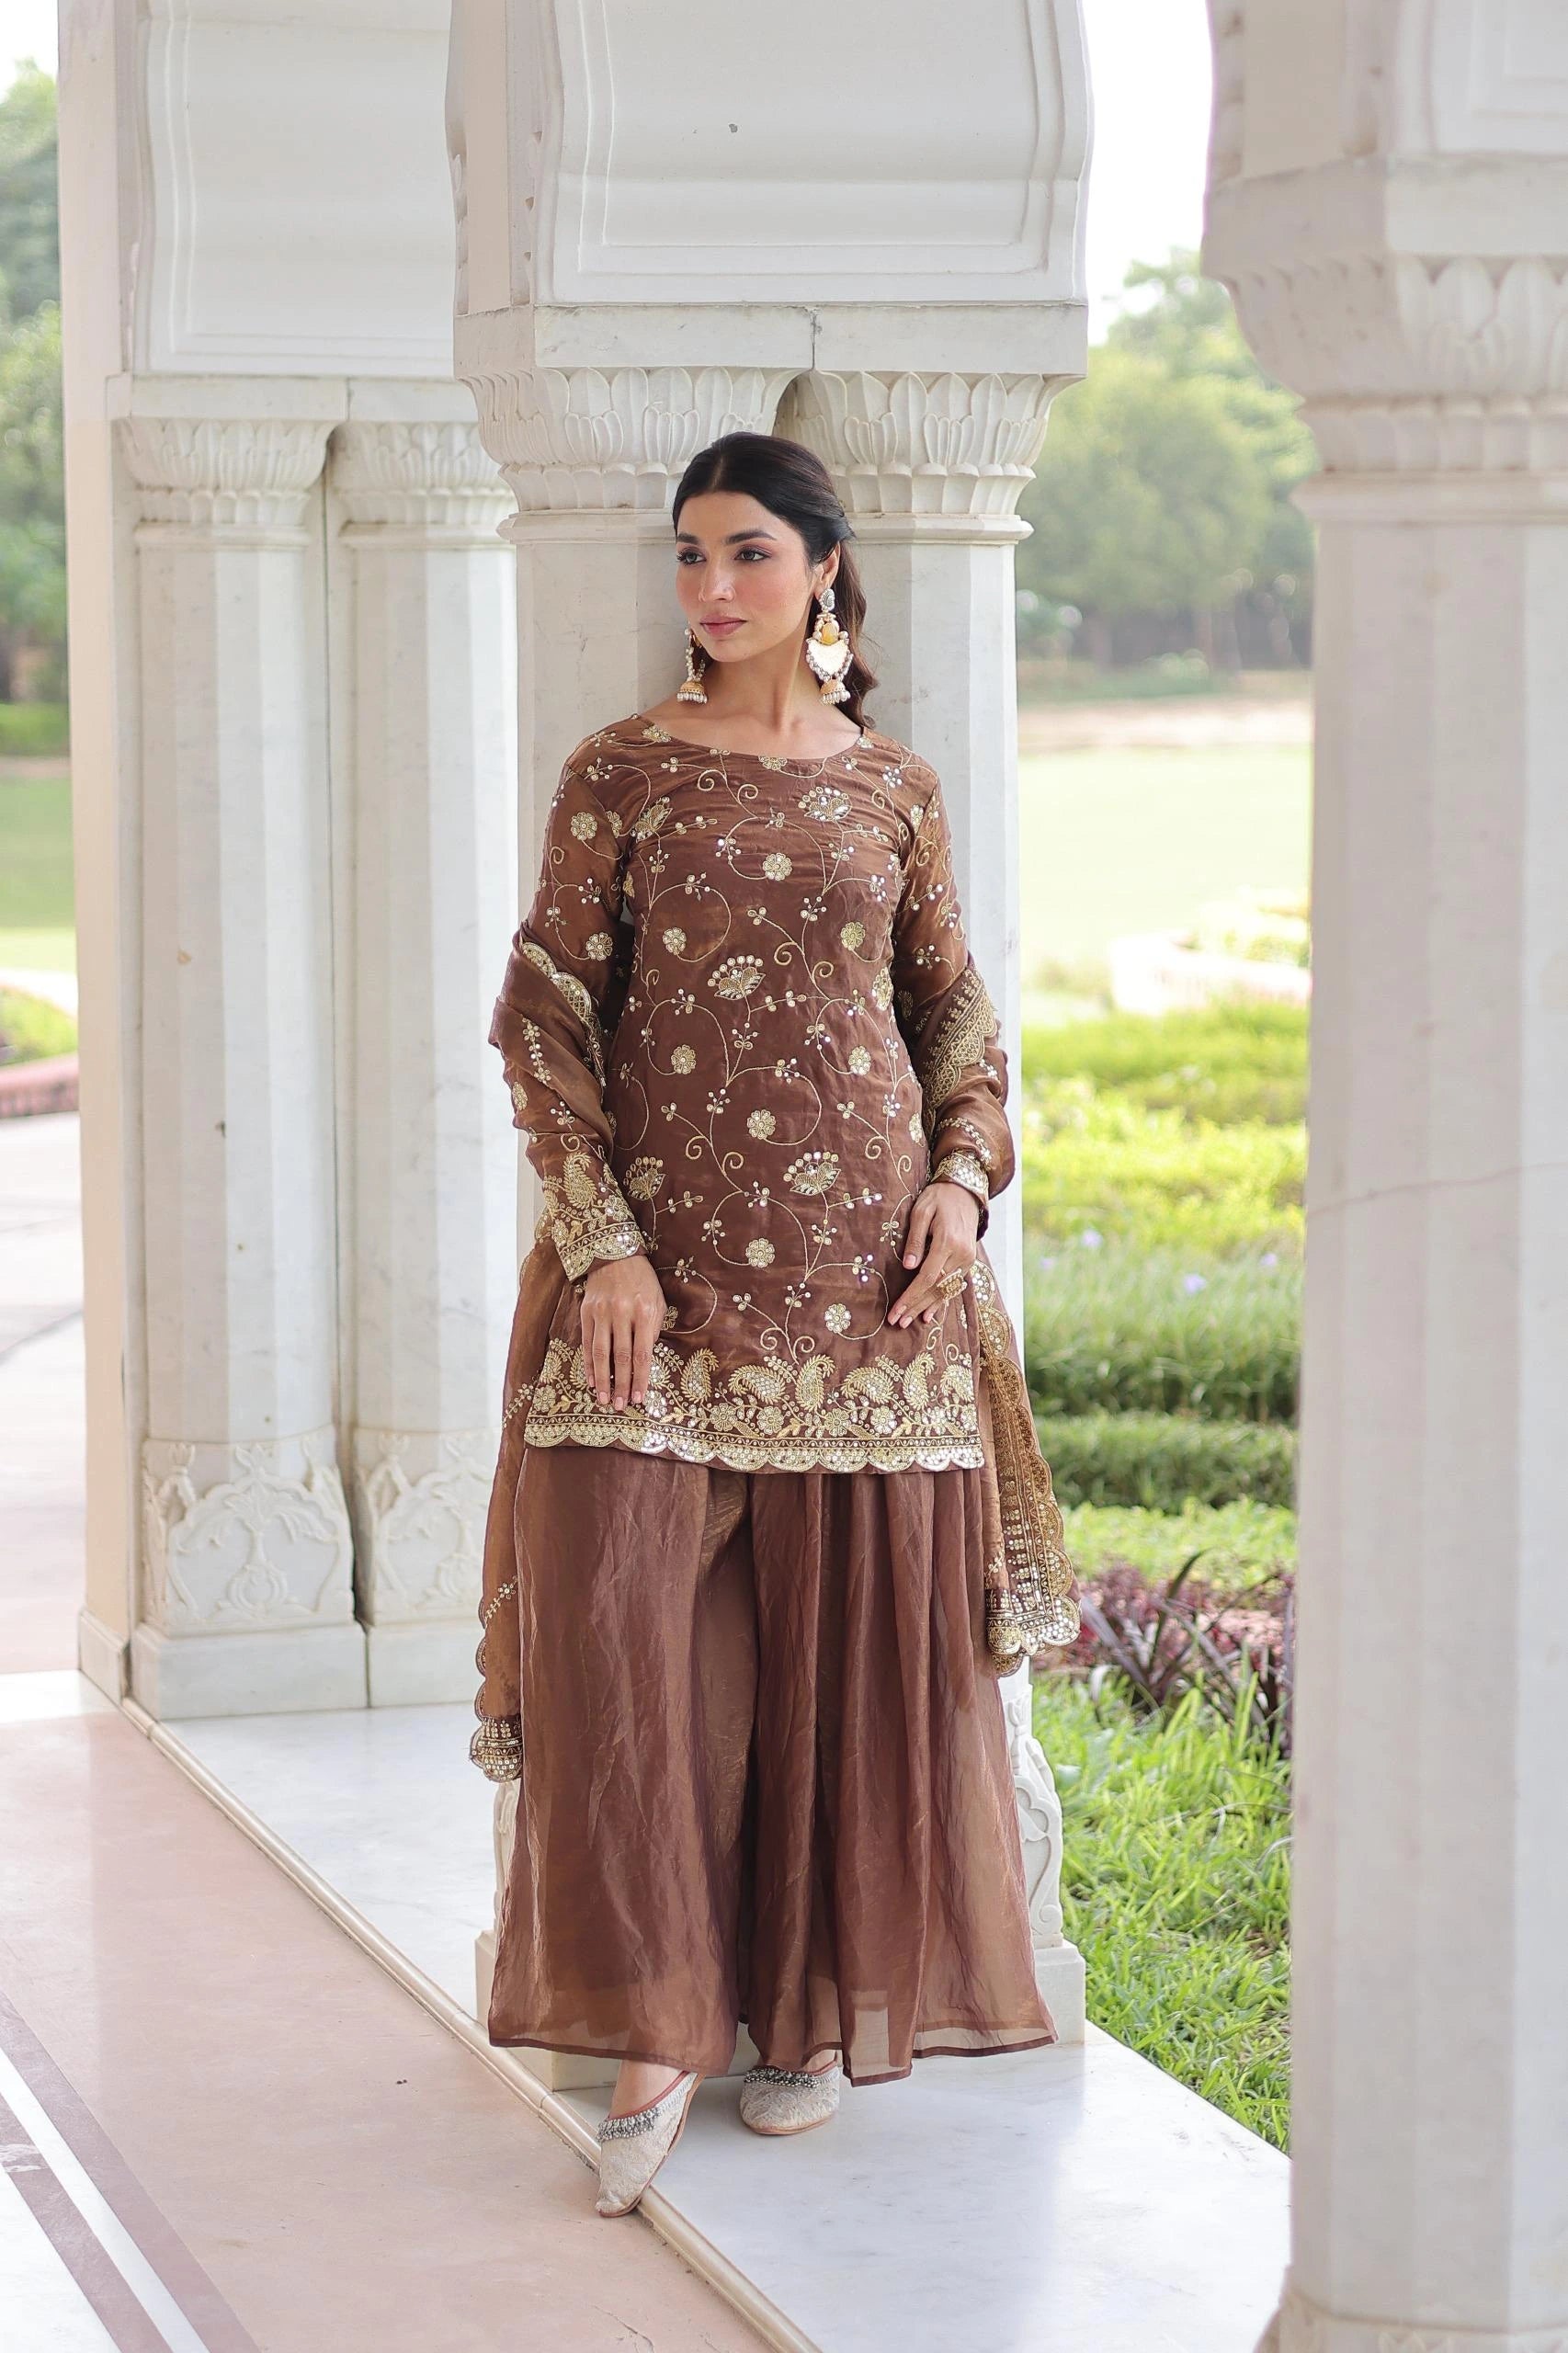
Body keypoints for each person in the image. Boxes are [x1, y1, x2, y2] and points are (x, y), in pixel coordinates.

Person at [470, 431, 1079, 2218]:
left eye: (745, 552)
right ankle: (655, 2023)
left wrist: (961, 1189)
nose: (711, 586)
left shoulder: (891, 783)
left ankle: (806, 2012)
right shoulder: (623, 773)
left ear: (823, 567)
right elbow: (544, 1021)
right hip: (658, 1273)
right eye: (688, 556)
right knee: (627, 1641)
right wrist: (605, 1246)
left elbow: (951, 1004)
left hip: (868, 1277)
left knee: (842, 1651)